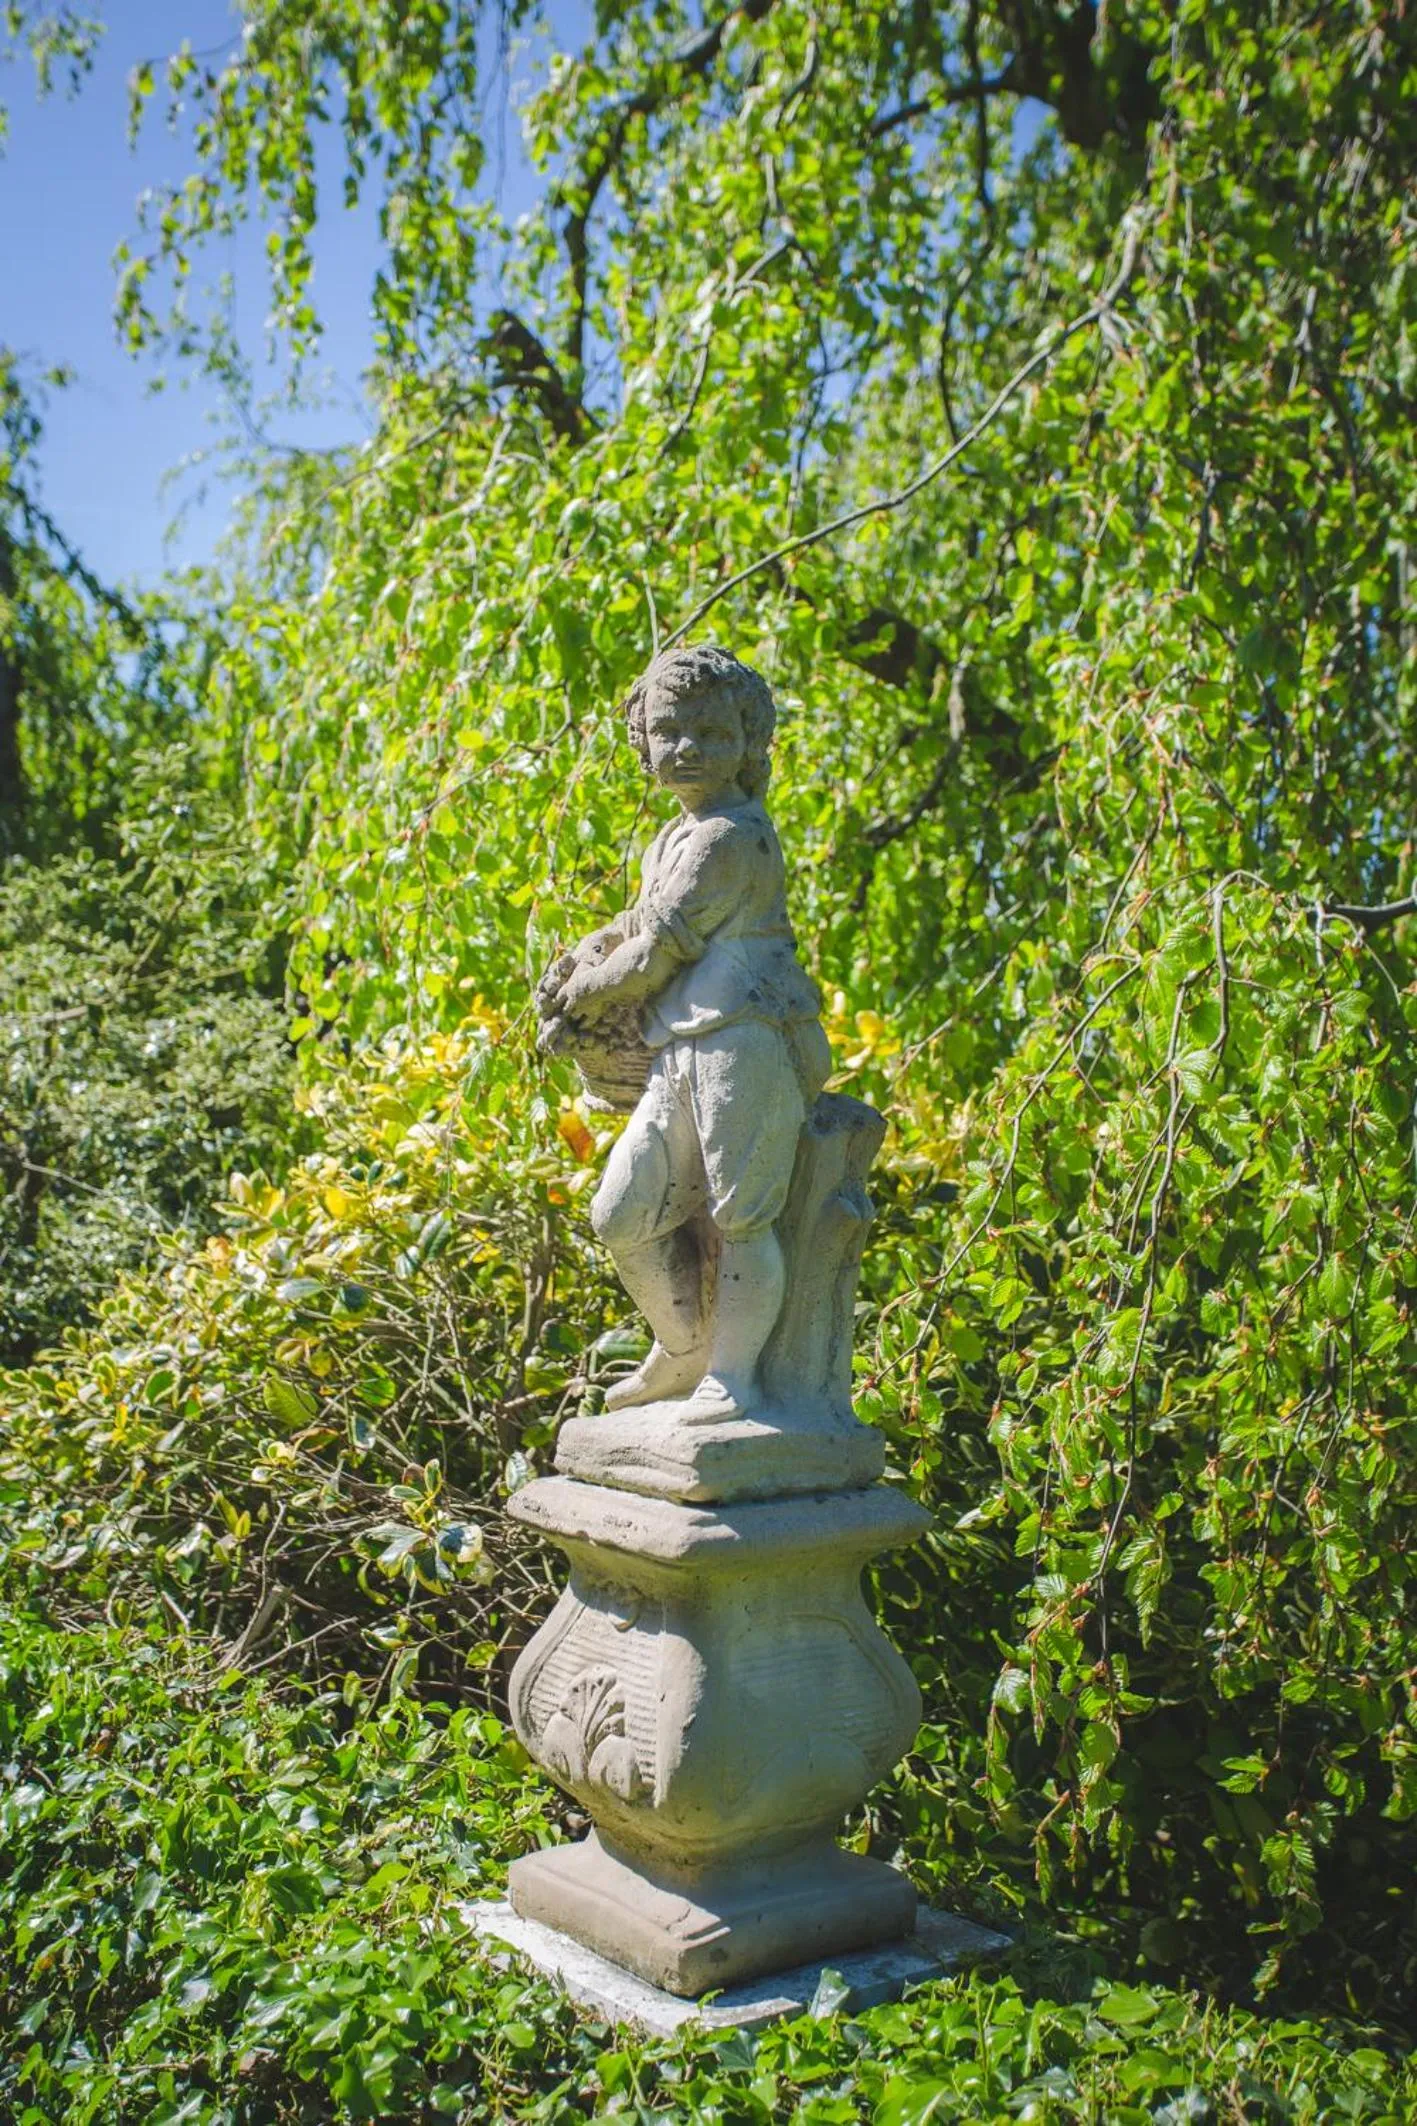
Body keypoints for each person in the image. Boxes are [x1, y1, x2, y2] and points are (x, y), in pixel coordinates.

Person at [537, 644, 831, 1416]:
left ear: (747, 741)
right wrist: (581, 957)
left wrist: (578, 997)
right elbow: (634, 927)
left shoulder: (730, 838)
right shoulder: (672, 838)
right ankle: (684, 1350)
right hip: (682, 1043)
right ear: (643, 745)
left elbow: (655, 952)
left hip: (747, 1034)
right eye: (668, 731)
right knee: (621, 1213)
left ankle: (733, 1379)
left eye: (709, 730)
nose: (687, 747)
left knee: (741, 1215)